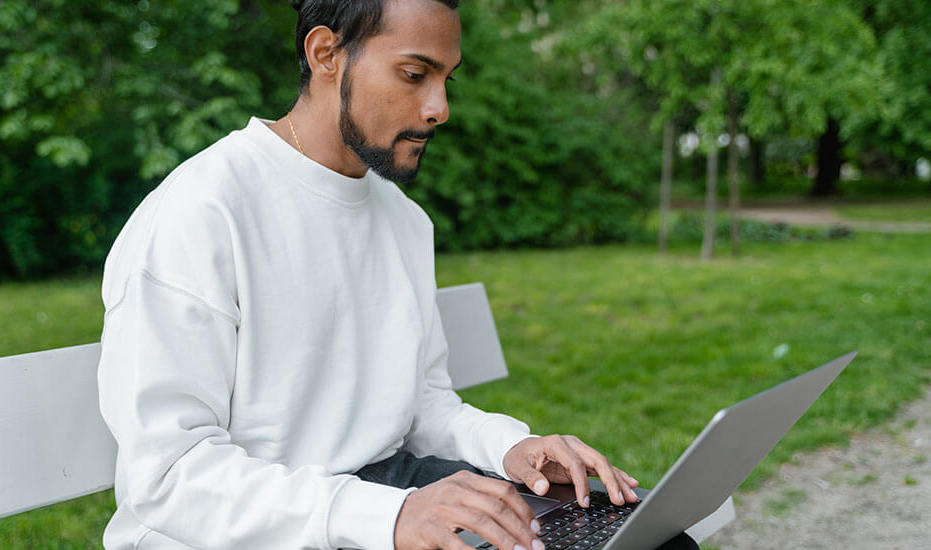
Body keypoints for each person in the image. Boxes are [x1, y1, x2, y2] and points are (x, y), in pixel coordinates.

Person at [97, 1, 696, 548]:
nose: (439, 108)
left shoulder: (403, 220)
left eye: (446, 79)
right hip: (236, 529)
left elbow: (423, 406)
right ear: (325, 54)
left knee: (648, 539)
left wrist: (512, 448)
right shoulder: (200, 213)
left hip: (379, 491)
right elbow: (169, 475)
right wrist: (387, 516)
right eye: (415, 75)